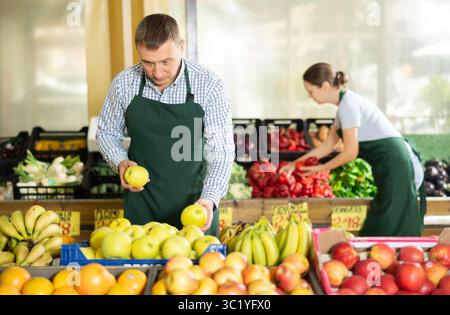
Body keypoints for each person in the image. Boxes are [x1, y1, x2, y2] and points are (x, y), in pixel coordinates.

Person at [96, 14, 234, 236]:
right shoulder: (124, 82)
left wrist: (209, 198)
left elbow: (222, 151)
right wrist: (119, 161)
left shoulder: (209, 85)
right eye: (148, 63)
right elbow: (106, 132)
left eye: (165, 61)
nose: (157, 73)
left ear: (181, 46)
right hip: (142, 202)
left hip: (194, 204)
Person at [282, 62, 426, 236]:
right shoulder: (344, 107)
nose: (309, 96)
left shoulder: (349, 105)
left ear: (326, 86)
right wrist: (295, 164)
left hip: (396, 163)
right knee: (384, 220)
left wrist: (319, 168)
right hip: (388, 166)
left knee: (391, 223)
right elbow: (329, 145)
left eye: (311, 91)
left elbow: (350, 152)